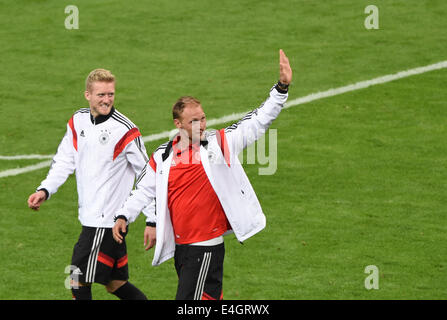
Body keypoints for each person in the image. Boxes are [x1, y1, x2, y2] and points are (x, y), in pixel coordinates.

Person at [113, 49, 292, 300]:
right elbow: (143, 190)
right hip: (182, 249)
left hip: (205, 247)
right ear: (178, 124)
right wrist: (124, 216)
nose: (202, 125)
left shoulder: (218, 144)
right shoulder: (162, 157)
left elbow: (257, 122)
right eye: (194, 121)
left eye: (203, 118)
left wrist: (281, 88)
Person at [27, 69, 153, 300]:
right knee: (116, 284)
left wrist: (152, 219)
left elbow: (148, 174)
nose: (106, 100)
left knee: (76, 280)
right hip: (91, 218)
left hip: (106, 222)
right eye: (101, 95)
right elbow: (65, 159)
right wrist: (45, 189)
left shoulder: (125, 130)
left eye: (111, 94)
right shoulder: (78, 121)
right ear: (88, 95)